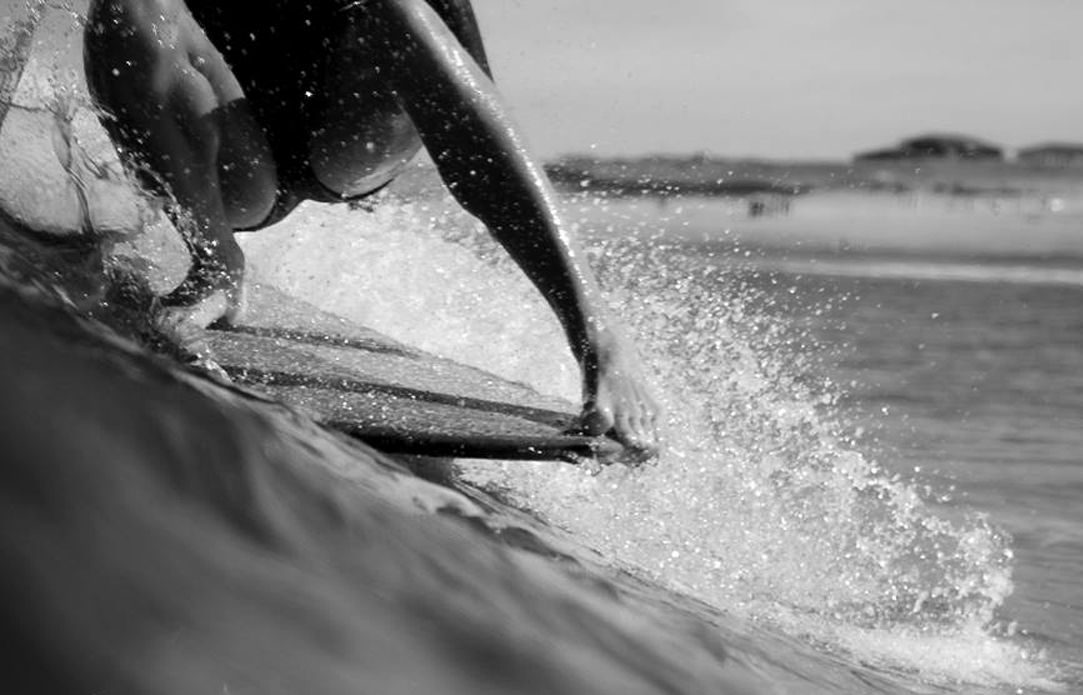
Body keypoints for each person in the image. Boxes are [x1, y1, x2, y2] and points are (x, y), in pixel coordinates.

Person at [82, 0, 659, 459]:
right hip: (227, 141)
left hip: (347, 130)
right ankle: (216, 262)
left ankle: (596, 330)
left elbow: (472, 140)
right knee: (124, 6)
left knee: (396, 8)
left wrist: (595, 335)